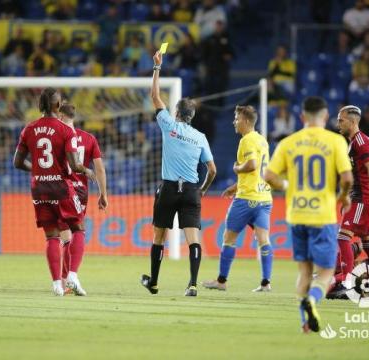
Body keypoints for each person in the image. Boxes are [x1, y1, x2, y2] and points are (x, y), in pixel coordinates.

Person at [264, 96, 353, 334]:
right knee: (324, 273)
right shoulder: (336, 142)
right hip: (323, 216)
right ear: (325, 117)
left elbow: (269, 177)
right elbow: (347, 179)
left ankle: (304, 323)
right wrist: (343, 196)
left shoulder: (288, 143)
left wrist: (288, 186)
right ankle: (313, 300)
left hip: (297, 215)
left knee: (304, 272)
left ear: (302, 117)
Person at [140, 50, 217, 297]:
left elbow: (154, 95)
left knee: (159, 235)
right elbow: (212, 169)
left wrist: (156, 68)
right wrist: (202, 190)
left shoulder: (169, 126)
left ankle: (153, 281)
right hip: (192, 190)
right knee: (193, 238)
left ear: (176, 113)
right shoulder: (200, 136)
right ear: (192, 116)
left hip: (170, 188)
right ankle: (193, 284)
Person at [13, 88, 94, 296]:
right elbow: (75, 166)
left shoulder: (28, 129)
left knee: (51, 237)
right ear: (58, 106)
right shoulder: (65, 130)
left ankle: (57, 284)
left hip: (38, 188)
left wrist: (39, 170)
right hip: (60, 187)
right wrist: (87, 170)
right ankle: (73, 275)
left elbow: (17, 162)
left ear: (40, 106)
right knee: (79, 228)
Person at [202, 105, 273, 292]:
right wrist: (235, 186)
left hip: (246, 200)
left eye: (237, 118)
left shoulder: (247, 140)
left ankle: (221, 281)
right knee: (263, 239)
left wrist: (236, 168)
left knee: (229, 238)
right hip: (264, 198)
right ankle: (266, 283)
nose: (234, 121)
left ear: (246, 121)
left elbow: (251, 165)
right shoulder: (262, 140)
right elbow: (259, 170)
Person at [57, 103, 108, 296]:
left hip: (57, 189)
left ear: (61, 116)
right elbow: (100, 169)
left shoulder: (55, 136)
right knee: (77, 231)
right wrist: (103, 194)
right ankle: (71, 276)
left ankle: (63, 282)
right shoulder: (88, 138)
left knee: (64, 237)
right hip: (79, 192)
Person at [335, 105, 369, 280]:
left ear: (353, 121)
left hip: (362, 200)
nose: (338, 123)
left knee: (342, 238)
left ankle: (346, 281)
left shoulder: (361, 141)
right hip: (360, 199)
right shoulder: (354, 142)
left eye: (341, 120)